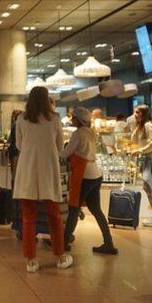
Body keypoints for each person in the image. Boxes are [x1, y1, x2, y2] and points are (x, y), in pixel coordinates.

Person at [13, 86, 73, 273]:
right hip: (49, 168)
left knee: (28, 217)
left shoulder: (21, 119)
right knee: (54, 215)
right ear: (47, 99)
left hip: (27, 169)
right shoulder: (54, 119)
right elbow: (60, 146)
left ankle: (31, 260)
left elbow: (19, 144)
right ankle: (60, 256)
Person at [61, 107, 118, 255]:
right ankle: (108, 243)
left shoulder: (78, 134)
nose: (72, 119)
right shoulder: (92, 133)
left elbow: (67, 153)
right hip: (95, 173)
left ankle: (65, 240)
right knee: (96, 210)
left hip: (83, 174)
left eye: (73, 118)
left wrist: (56, 152)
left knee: (74, 207)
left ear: (78, 120)